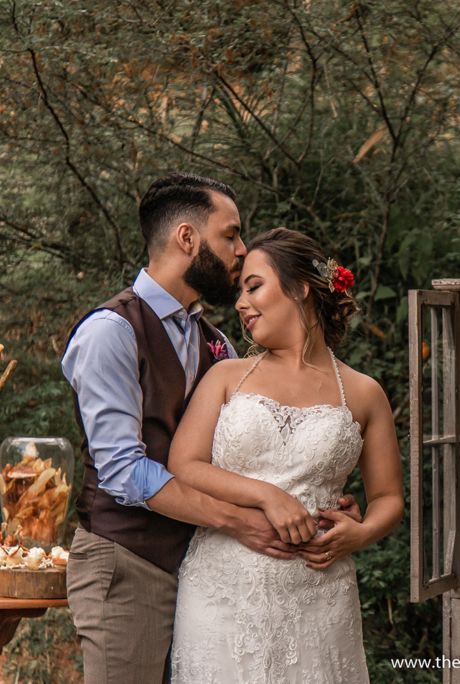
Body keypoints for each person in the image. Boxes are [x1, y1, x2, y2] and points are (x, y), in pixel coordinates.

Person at [62, 174, 360, 684]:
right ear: (186, 238)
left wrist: (317, 498)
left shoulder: (216, 342)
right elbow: (122, 471)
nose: (241, 251)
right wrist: (239, 519)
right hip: (127, 562)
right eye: (231, 235)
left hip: (206, 573)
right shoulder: (110, 332)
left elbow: (242, 451)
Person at [167, 227, 404, 683]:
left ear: (301, 288)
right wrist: (265, 495)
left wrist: (362, 533)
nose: (240, 303)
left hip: (319, 590)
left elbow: (389, 497)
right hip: (222, 591)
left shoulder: (364, 393)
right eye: (240, 291)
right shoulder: (226, 376)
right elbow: (184, 465)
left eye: (253, 286)